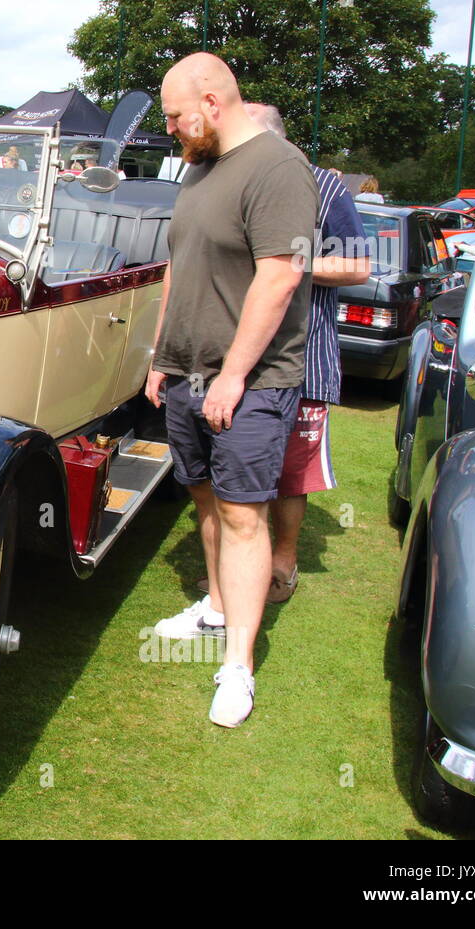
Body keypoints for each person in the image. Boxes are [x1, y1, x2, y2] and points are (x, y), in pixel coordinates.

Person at [145, 53, 317, 728]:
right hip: (187, 374)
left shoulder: (278, 168)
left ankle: (238, 666)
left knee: (246, 515)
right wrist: (162, 356)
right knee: (206, 500)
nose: (170, 130)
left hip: (250, 382)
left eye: (174, 116)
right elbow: (178, 266)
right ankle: (216, 609)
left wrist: (236, 374)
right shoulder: (199, 169)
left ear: (212, 100)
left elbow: (279, 277)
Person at [240, 102, 370, 606]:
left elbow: (358, 266)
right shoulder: (236, 180)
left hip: (305, 354)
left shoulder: (325, 185)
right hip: (239, 357)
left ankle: (282, 565)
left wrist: (286, 262)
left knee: (291, 473)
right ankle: (239, 574)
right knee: (241, 464)